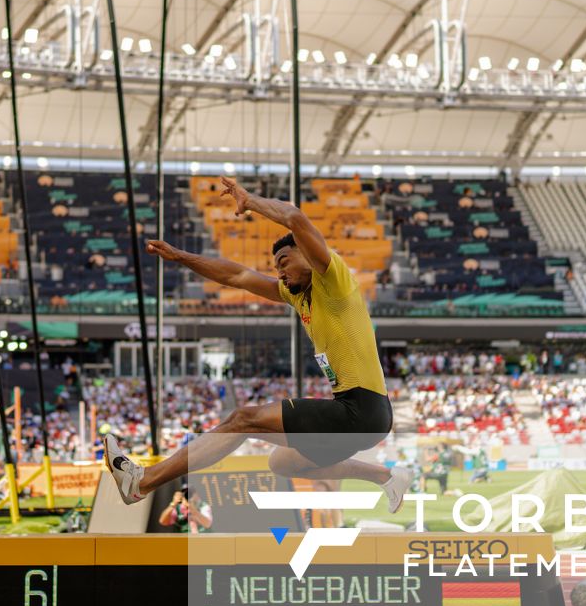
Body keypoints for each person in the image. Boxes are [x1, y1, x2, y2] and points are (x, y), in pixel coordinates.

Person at [106, 175, 409, 512]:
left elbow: (295, 218)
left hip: (361, 409)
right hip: (365, 417)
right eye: (275, 267)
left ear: (308, 256)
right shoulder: (298, 298)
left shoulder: (333, 281)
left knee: (242, 419)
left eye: (284, 263)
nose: (279, 273)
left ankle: (142, 481)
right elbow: (237, 276)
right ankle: (385, 477)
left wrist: (249, 201)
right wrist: (180, 257)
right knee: (282, 462)